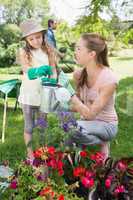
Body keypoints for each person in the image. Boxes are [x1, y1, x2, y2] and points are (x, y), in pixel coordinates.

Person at [67, 33, 118, 160]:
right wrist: (60, 102)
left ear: (92, 54)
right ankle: (74, 163)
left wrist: (71, 94)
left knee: (71, 128)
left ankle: (101, 142)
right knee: (65, 127)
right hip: (88, 123)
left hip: (107, 125)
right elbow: (79, 104)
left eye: (79, 49)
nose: (75, 52)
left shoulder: (109, 79)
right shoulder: (79, 75)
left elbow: (90, 114)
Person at [18, 18, 57, 161]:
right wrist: (38, 70)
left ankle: (42, 152)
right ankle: (30, 155)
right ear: (27, 40)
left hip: (44, 94)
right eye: (31, 39)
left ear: (43, 35)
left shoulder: (49, 50)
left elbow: (53, 70)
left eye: (38, 37)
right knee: (29, 126)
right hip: (28, 94)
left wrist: (52, 80)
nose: (35, 41)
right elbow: (26, 69)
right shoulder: (23, 51)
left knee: (42, 126)